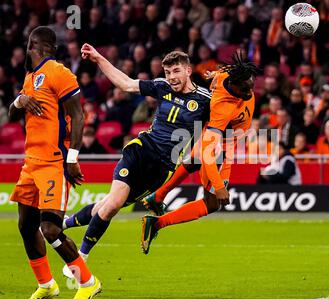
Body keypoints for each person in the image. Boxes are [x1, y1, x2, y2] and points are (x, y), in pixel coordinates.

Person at [63, 46, 210, 269]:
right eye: (168, 72)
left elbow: (221, 121)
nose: (171, 77)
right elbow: (126, 83)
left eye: (176, 71)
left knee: (106, 205)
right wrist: (99, 58)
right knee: (113, 204)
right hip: (141, 150)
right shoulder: (161, 86)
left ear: (188, 70)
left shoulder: (204, 100)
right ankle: (79, 259)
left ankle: (61, 224)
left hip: (162, 168)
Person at [8, 27, 100, 299]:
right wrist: (20, 99)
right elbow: (13, 114)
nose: (25, 49)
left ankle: (88, 282)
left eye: (27, 44)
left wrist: (72, 158)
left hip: (54, 162)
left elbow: (79, 116)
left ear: (35, 44)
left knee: (50, 228)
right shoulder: (30, 77)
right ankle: (47, 285)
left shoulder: (59, 72)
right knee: (26, 226)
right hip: (30, 163)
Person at [140, 53, 259, 254]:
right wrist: (220, 186)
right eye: (245, 89)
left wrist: (215, 74)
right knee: (212, 204)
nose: (250, 91)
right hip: (220, 146)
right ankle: (157, 223)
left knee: (193, 161)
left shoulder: (230, 76)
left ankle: (158, 196)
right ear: (235, 86)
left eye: (251, 85)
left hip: (222, 139)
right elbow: (208, 154)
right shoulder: (222, 108)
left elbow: (224, 71)